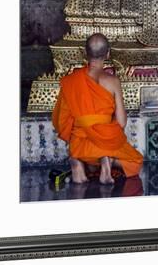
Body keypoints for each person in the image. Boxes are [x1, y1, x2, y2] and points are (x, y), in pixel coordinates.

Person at [52, 33, 143, 184]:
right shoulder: (113, 81)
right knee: (135, 162)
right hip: (106, 139)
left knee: (86, 153)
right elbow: (121, 122)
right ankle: (108, 160)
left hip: (79, 144)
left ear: (85, 52)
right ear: (108, 53)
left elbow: (62, 119)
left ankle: (78, 161)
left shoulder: (71, 81)